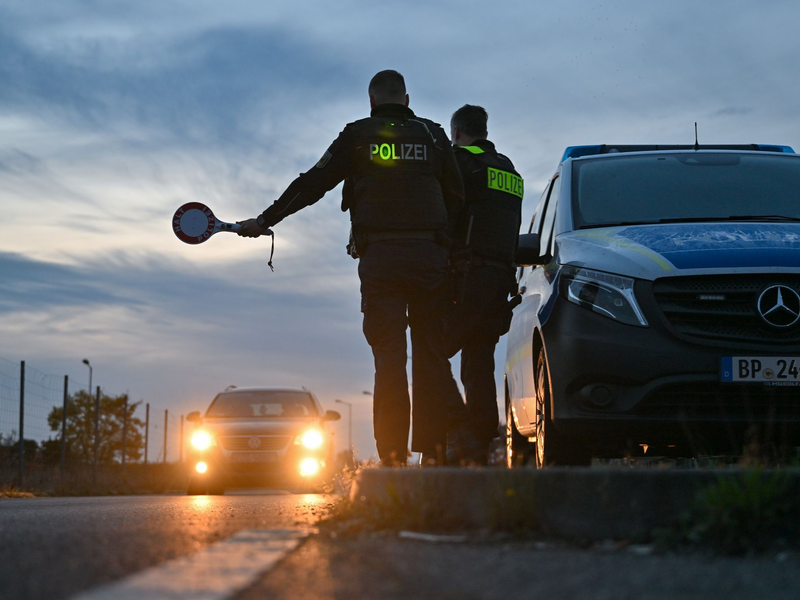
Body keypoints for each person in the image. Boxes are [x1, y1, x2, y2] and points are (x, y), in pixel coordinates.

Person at [237, 70, 465, 465]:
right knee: (431, 357)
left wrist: (266, 220)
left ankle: (392, 459)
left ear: (372, 101)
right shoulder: (432, 135)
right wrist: (452, 256)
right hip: (431, 259)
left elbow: (313, 183)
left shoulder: (358, 135)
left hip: (381, 261)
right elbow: (457, 197)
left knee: (389, 359)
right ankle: (435, 455)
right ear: (406, 99)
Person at [446, 104, 524, 464]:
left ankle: (458, 438)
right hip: (499, 283)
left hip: (465, 278)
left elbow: (448, 217)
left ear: (457, 132)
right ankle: (478, 448)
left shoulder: (461, 162)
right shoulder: (509, 169)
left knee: (434, 354)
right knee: (479, 365)